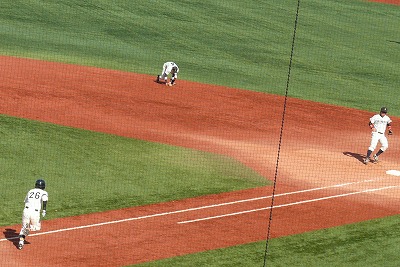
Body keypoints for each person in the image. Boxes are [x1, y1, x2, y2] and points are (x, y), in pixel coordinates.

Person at [18, 179, 48, 250]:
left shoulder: (30, 191)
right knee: (37, 228)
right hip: (35, 213)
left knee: (24, 228)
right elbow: (44, 200)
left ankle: (21, 241)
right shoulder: (44, 192)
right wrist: (44, 210)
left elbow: (25, 201)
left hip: (26, 211)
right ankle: (29, 227)